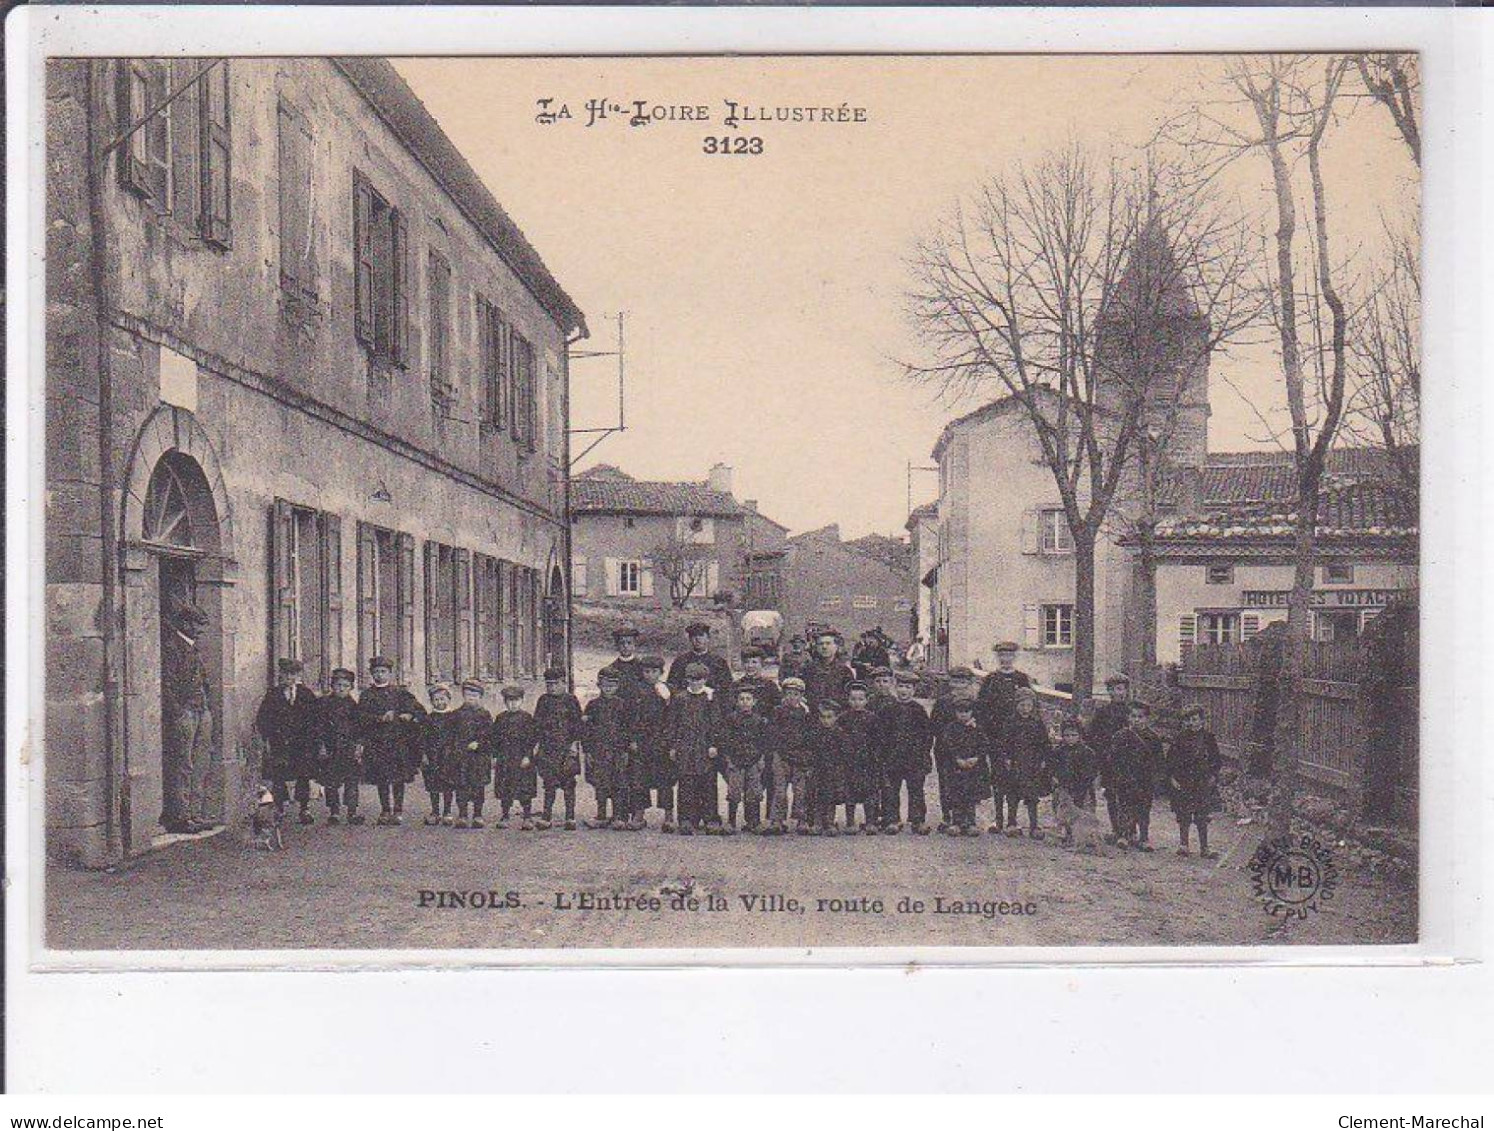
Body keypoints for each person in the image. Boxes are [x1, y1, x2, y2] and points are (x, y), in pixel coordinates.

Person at [161, 604, 215, 834]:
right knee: (183, 764)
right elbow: (168, 684)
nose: (201, 630)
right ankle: (180, 816)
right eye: (197, 625)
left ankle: (195, 813)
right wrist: (178, 712)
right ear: (185, 624)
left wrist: (207, 707)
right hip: (186, 713)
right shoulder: (173, 647)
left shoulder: (192, 647)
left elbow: (203, 681)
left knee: (200, 763)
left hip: (201, 711)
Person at [357, 657, 426, 826]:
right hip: (377, 743)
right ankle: (385, 809)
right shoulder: (367, 695)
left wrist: (409, 715)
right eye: (376, 672)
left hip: (398, 742)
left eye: (383, 672)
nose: (380, 675)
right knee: (382, 777)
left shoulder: (400, 693)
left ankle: (398, 810)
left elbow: (419, 710)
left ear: (390, 673)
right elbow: (360, 718)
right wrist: (379, 718)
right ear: (372, 674)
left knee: (398, 778)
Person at [254, 658, 320, 826]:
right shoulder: (273, 694)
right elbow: (263, 718)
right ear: (280, 675)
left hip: (302, 743)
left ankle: (304, 808)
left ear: (299, 675)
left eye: (293, 674)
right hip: (280, 741)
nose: (289, 678)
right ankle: (279, 806)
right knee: (278, 775)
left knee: (303, 775)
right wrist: (267, 737)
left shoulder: (306, 694)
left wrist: (313, 741)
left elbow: (315, 719)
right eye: (285, 674)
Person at [976, 641, 1033, 830]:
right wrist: (984, 732)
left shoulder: (1022, 679)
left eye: (1009, 656)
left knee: (1015, 778)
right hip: (996, 737)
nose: (1005, 659)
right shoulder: (991, 679)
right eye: (1002, 656)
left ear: (1014, 657)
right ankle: (998, 819)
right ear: (998, 657)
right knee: (999, 778)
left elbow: (1031, 707)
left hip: (1018, 739)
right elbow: (981, 708)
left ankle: (1012, 820)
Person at [664, 661, 723, 834]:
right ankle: (687, 819)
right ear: (686, 680)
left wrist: (714, 744)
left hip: (704, 747)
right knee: (686, 783)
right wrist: (673, 746)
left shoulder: (710, 698)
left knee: (708, 783)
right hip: (685, 747)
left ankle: (710, 818)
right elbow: (672, 724)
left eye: (699, 679)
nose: (695, 683)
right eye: (691, 679)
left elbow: (716, 724)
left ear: (705, 680)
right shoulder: (680, 698)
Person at [879, 670, 933, 834]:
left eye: (908, 687)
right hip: (893, 757)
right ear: (895, 688)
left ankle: (917, 820)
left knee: (916, 789)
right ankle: (892, 819)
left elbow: (927, 736)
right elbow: (882, 734)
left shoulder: (919, 711)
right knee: (891, 790)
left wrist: (923, 754)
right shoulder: (888, 710)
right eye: (901, 686)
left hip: (914, 758)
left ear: (914, 690)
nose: (904, 690)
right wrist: (884, 755)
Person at [1167, 705, 1224, 858]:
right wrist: (1172, 777)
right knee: (1183, 813)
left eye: (1194, 719)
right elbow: (1171, 760)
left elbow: (1216, 761)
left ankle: (1204, 848)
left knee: (1202, 815)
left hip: (1202, 782)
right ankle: (1184, 844)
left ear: (1202, 721)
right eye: (1188, 720)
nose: (1192, 723)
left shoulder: (1208, 738)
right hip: (1184, 781)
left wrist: (1213, 776)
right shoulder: (1180, 738)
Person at [997, 686, 1053, 838]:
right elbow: (1004, 743)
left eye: (1028, 705)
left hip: (1032, 764)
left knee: (1032, 796)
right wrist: (1006, 758)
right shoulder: (1010, 722)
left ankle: (1034, 825)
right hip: (1015, 763)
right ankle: (1012, 823)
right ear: (1016, 705)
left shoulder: (1037, 723)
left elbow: (1044, 743)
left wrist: (1043, 759)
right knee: (1013, 794)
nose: (1025, 709)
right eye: (1022, 705)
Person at [583, 667, 635, 830]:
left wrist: (626, 749)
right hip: (599, 751)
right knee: (601, 783)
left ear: (618, 686)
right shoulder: (593, 705)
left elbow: (628, 728)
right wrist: (588, 751)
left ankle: (619, 816)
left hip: (618, 751)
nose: (608, 688)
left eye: (612, 685)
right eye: (605, 685)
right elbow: (587, 731)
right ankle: (601, 815)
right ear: (599, 685)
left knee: (619, 783)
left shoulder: (623, 705)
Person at [534, 666, 584, 830]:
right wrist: (537, 745)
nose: (552, 687)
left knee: (569, 783)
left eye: (556, 684)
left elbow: (577, 724)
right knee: (549, 783)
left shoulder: (571, 700)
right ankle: (546, 816)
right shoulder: (543, 701)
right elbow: (537, 724)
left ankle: (570, 817)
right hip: (548, 748)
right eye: (549, 684)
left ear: (564, 683)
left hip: (566, 748)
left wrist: (574, 745)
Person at [1106, 702, 1161, 850]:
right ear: (1128, 717)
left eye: (1140, 717)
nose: (1136, 720)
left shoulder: (1153, 738)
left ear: (1147, 719)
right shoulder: (1121, 736)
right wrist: (1115, 776)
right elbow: (1112, 758)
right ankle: (1124, 835)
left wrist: (1156, 780)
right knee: (1124, 807)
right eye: (1133, 716)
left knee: (1144, 809)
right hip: (1125, 778)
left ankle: (1143, 837)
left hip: (1144, 779)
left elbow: (1158, 761)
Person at [930, 667, 980, 831]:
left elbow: (981, 727)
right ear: (950, 682)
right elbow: (935, 725)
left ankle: (967, 818)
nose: (959, 685)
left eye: (963, 681)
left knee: (968, 783)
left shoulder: (975, 703)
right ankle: (947, 816)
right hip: (946, 750)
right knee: (946, 782)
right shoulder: (943, 702)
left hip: (969, 752)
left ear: (969, 683)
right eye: (956, 681)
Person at [1085, 674, 1135, 837]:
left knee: (1129, 795)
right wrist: (1101, 753)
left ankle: (1130, 830)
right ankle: (1116, 829)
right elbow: (1092, 736)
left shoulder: (1132, 712)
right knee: (1112, 794)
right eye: (1117, 689)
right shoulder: (1103, 712)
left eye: (1124, 689)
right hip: (1109, 760)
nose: (1121, 693)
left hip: (1128, 761)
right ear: (1109, 691)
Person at [767, 676, 815, 835]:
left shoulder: (806, 714)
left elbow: (809, 735)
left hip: (800, 756)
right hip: (781, 755)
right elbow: (773, 732)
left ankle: (802, 819)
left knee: (800, 790)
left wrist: (807, 755)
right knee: (779, 789)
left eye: (796, 694)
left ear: (801, 696)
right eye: (788, 693)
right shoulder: (778, 711)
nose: (792, 697)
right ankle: (777, 820)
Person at [632, 656, 675, 830]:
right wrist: (633, 739)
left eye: (654, 672)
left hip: (662, 741)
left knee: (665, 779)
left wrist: (667, 699)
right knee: (639, 778)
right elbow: (632, 717)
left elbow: (673, 716)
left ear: (661, 673)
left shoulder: (668, 689)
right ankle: (639, 814)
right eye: (646, 672)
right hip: (643, 741)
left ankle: (669, 816)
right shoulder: (637, 690)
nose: (650, 675)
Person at [316, 667, 363, 825]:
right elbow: (319, 727)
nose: (341, 688)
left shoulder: (354, 707)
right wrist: (321, 746)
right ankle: (334, 811)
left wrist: (358, 747)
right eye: (338, 685)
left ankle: (352, 812)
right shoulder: (324, 704)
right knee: (331, 782)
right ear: (332, 686)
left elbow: (359, 729)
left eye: (345, 685)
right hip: (331, 748)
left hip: (348, 748)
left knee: (352, 781)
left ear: (351, 688)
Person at [444, 680, 493, 829]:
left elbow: (490, 735)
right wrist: (454, 749)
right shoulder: (456, 714)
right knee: (461, 785)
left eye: (475, 694)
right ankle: (463, 814)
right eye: (468, 694)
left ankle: (478, 814)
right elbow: (450, 735)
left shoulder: (484, 714)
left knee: (478, 786)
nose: (471, 697)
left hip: (479, 758)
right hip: (461, 757)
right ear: (463, 695)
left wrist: (480, 743)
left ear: (480, 697)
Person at [720, 687, 769, 833]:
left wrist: (760, 758)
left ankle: (754, 821)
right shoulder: (731, 719)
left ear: (754, 702)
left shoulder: (759, 720)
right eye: (742, 699)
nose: (745, 702)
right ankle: (731, 821)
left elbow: (763, 741)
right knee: (734, 791)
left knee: (754, 791)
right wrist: (729, 758)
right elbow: (725, 739)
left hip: (753, 760)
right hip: (736, 760)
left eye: (748, 699)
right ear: (736, 701)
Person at [489, 685, 538, 829]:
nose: (512, 704)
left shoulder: (527, 718)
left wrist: (528, 756)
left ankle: (527, 816)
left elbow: (532, 739)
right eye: (509, 701)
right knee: (505, 787)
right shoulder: (500, 718)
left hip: (522, 758)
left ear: (521, 701)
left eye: (515, 701)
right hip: (505, 758)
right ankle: (505, 815)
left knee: (525, 788)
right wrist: (495, 756)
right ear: (504, 702)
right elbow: (495, 739)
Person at [837, 682, 881, 834]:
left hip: (867, 760)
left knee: (870, 791)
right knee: (850, 792)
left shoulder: (873, 718)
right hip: (849, 761)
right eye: (853, 699)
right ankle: (850, 822)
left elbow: (877, 739)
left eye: (860, 699)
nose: (857, 703)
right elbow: (840, 737)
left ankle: (870, 822)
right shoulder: (843, 718)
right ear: (848, 700)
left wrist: (875, 756)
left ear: (866, 700)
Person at [939, 697, 985, 836]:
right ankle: (956, 822)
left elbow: (983, 745)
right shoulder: (951, 728)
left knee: (970, 796)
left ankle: (970, 822)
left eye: (966, 711)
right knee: (956, 795)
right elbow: (947, 745)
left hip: (972, 768)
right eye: (960, 712)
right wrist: (957, 759)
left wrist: (976, 758)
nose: (963, 715)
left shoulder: (976, 728)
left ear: (972, 712)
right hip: (955, 768)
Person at [419, 682, 459, 825]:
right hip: (433, 755)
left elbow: (457, 737)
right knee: (433, 784)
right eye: (436, 700)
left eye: (442, 699)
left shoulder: (454, 717)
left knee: (448, 783)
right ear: (431, 701)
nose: (439, 702)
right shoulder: (428, 719)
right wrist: (423, 755)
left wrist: (456, 753)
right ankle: (435, 811)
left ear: (448, 700)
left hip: (449, 756)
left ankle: (447, 811)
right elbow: (423, 738)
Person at [812, 700, 849, 836]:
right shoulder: (816, 733)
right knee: (816, 794)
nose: (826, 721)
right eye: (823, 717)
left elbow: (844, 753)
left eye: (829, 717)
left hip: (833, 769)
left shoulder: (839, 734)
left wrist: (840, 769)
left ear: (836, 717)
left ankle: (829, 822)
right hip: (818, 768)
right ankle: (817, 822)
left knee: (830, 795)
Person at [666, 622, 733, 694]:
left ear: (708, 638)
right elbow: (673, 685)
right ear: (690, 639)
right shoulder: (680, 661)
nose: (697, 639)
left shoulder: (719, 662)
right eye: (693, 636)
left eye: (701, 635)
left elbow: (726, 687)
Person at [802, 628, 856, 713]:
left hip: (837, 714)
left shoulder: (844, 671)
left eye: (828, 643)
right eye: (821, 644)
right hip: (814, 714)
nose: (824, 647)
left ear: (836, 647)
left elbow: (850, 695)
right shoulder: (807, 670)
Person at [1053, 716, 1100, 813]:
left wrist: (1082, 783)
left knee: (1083, 818)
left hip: (1084, 790)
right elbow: (1053, 769)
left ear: (1079, 735)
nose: (1070, 738)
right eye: (1067, 735)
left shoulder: (1087, 752)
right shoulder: (1058, 752)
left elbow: (1092, 772)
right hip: (1064, 789)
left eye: (1073, 735)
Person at [608, 625, 652, 701]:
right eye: (622, 643)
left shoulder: (641, 666)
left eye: (629, 643)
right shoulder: (612, 668)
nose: (625, 646)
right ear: (616, 646)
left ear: (634, 645)